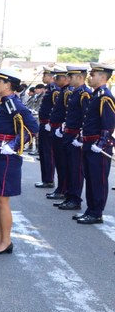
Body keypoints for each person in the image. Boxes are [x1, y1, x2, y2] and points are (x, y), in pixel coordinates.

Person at [0, 67, 38, 254]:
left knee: (3, 200)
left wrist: (13, 145)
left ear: (7, 85)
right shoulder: (3, 102)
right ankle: (0, 238)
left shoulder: (13, 104)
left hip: (7, 158)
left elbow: (32, 127)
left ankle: (6, 241)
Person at [75, 63, 115, 224]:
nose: (90, 77)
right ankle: (90, 209)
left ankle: (96, 212)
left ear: (103, 77)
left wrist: (102, 142)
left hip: (99, 146)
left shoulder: (105, 96)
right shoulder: (95, 95)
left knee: (98, 180)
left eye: (93, 75)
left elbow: (108, 123)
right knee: (90, 178)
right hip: (89, 143)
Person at [56, 66, 91, 211]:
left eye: (71, 76)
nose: (68, 79)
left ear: (80, 77)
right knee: (68, 167)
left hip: (76, 135)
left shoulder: (85, 94)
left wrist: (80, 137)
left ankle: (75, 199)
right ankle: (69, 195)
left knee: (76, 169)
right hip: (68, 134)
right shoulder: (73, 93)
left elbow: (86, 118)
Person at [46, 67, 69, 201]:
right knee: (59, 162)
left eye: (58, 78)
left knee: (63, 163)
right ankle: (61, 188)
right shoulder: (63, 91)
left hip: (62, 131)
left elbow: (68, 113)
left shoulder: (67, 93)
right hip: (56, 129)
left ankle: (63, 189)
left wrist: (62, 127)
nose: (55, 80)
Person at [35, 68, 55, 189]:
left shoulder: (54, 90)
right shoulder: (49, 89)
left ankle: (48, 179)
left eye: (45, 74)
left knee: (48, 153)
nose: (43, 76)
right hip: (43, 124)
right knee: (43, 152)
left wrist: (51, 123)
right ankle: (45, 179)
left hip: (48, 125)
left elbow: (56, 108)